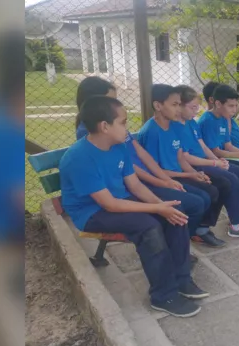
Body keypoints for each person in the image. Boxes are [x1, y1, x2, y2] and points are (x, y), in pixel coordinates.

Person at [60, 95, 206, 317]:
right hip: (92, 212)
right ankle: (163, 295)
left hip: (120, 200)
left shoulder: (118, 146)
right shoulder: (79, 157)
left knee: (176, 213)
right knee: (148, 226)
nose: (128, 128)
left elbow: (135, 185)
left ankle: (181, 279)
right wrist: (157, 209)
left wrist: (162, 205)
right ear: (105, 126)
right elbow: (109, 204)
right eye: (123, 122)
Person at [73, 77, 221, 247]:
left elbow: (142, 154)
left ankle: (178, 245)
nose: (116, 104)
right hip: (133, 185)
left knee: (201, 198)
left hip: (146, 180)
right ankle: (176, 246)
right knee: (189, 205)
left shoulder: (114, 125)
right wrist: (162, 182)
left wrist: (166, 180)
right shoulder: (93, 133)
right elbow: (129, 169)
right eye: (111, 99)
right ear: (95, 103)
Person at [139, 84, 239, 240]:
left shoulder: (183, 124)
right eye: (175, 105)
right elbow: (167, 164)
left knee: (238, 174)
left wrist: (214, 162)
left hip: (187, 169)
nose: (178, 110)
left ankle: (234, 220)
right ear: (158, 105)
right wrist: (199, 170)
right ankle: (205, 228)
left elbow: (188, 152)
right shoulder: (158, 130)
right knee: (219, 185)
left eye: (179, 105)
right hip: (172, 175)